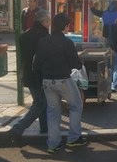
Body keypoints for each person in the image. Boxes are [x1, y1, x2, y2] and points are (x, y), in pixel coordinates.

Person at [33, 13, 86, 153]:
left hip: (46, 81)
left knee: (52, 111)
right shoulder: (67, 42)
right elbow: (75, 63)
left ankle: (53, 144)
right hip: (63, 79)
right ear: (66, 26)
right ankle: (74, 138)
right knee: (76, 105)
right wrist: (79, 62)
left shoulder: (43, 41)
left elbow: (36, 63)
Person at [9, 9, 51, 145]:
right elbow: (44, 58)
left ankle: (45, 128)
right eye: (48, 20)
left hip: (28, 72)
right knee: (40, 102)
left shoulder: (25, 35)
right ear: (44, 21)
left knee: (42, 101)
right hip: (40, 74)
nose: (49, 23)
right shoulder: (44, 36)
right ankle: (18, 127)